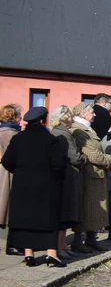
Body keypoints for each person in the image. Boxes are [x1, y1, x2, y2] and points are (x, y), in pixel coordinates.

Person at [1, 106, 67, 267]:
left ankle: (29, 254)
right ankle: (51, 254)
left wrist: (21, 172)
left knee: (25, 218)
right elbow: (59, 164)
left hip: (22, 185)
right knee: (48, 218)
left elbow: (7, 161)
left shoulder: (18, 139)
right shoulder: (51, 139)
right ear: (43, 120)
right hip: (47, 185)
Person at [71, 102, 111, 251]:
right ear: (82, 113)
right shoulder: (79, 130)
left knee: (94, 209)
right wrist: (109, 160)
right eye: (91, 112)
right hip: (89, 173)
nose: (94, 114)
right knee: (87, 208)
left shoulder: (87, 129)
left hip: (95, 173)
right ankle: (78, 240)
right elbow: (91, 154)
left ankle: (90, 238)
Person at [51, 106, 85, 260]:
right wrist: (84, 158)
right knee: (64, 213)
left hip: (67, 176)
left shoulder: (61, 132)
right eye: (70, 117)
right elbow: (75, 157)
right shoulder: (62, 133)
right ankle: (59, 246)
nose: (72, 120)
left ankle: (63, 244)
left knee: (66, 214)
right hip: (67, 176)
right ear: (64, 118)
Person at [0, 104, 21, 254]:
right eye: (19, 115)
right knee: (9, 207)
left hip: (4, 170)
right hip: (8, 172)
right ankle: (11, 245)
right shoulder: (10, 133)